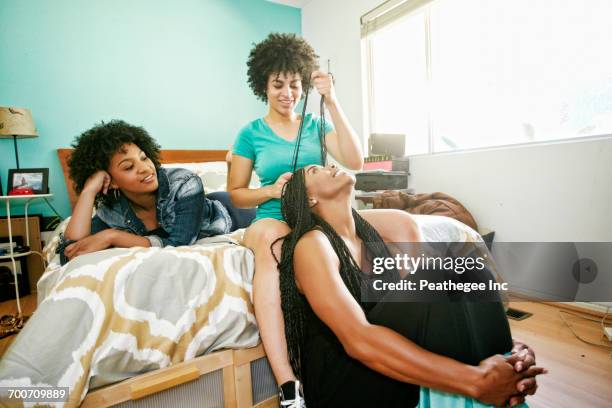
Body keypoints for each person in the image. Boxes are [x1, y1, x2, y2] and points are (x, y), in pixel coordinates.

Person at [275, 164, 546, 407]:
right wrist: (473, 380)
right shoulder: (313, 245)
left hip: (386, 366)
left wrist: (511, 349)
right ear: (309, 198)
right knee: (437, 277)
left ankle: (508, 377)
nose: (329, 166)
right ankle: (487, 386)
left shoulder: (370, 235)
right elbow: (357, 339)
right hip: (343, 383)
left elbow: (429, 311)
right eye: (314, 170)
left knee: (475, 274)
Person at [227, 33, 363, 405]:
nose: (287, 92)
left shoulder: (316, 126)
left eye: (294, 84)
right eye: (278, 84)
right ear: (264, 87)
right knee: (275, 249)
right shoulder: (250, 134)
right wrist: (272, 191)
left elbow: (356, 159)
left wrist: (332, 100)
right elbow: (236, 192)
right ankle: (288, 382)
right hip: (273, 215)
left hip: (317, 215)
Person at [60, 120, 253, 264]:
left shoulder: (185, 183)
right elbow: (69, 250)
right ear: (111, 182)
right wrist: (89, 190)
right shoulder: (112, 210)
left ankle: (233, 165)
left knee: (273, 212)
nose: (145, 169)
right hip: (195, 206)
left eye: (144, 158)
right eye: (128, 167)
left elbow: (179, 245)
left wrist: (113, 236)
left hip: (230, 211)